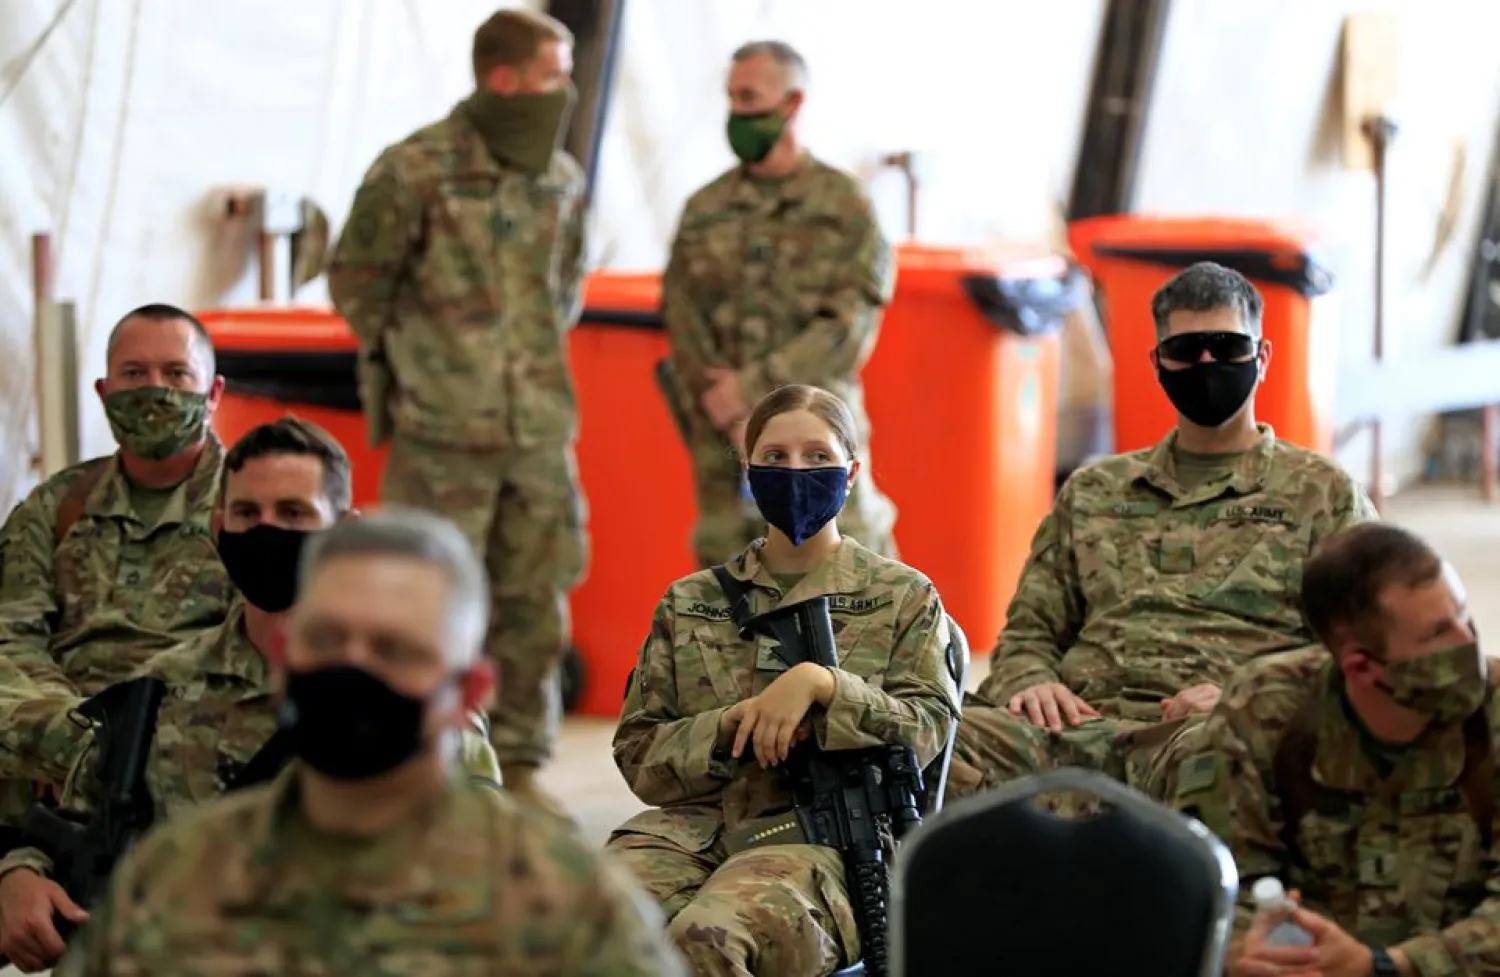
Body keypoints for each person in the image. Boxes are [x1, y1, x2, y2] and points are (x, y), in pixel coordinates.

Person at [54, 507, 686, 977]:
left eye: (394, 650)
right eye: (326, 640)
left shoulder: (566, 908)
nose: (352, 670)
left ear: (469, 691)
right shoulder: (177, 878)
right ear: (282, 659)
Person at [0, 418, 506, 972]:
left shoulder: (411, 703)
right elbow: (73, 825)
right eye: (247, 515)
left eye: (293, 513)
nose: (267, 532)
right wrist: (21, 875)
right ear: (219, 528)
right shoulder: (154, 690)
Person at [946, 261, 1378, 805]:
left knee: (1230, 764)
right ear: (1158, 363)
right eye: (1186, 350)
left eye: (1227, 347)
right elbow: (1030, 629)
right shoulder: (1094, 491)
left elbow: (1364, 650)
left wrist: (1248, 698)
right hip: (1074, 727)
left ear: (1262, 357)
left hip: (1212, 733)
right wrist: (1030, 681)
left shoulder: (1324, 495)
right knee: (916, 743)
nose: (1207, 363)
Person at [326, 8, 588, 818]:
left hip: (538, 428)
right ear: (501, 79)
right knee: (430, 597)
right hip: (444, 433)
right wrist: (430, 362)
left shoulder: (559, 177)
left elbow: (565, 289)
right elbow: (357, 282)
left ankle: (520, 761)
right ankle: (432, 759)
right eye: (552, 76)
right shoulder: (415, 170)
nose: (565, 94)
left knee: (535, 598)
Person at [606, 384, 961, 976]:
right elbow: (639, 753)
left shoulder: (902, 596)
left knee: (707, 938)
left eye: (817, 457)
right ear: (748, 471)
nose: (796, 471)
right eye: (775, 458)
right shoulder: (690, 600)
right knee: (586, 922)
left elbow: (926, 731)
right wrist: (729, 727)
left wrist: (824, 686)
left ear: (850, 475)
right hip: (693, 829)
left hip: (825, 838)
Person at [1174, 522, 1499, 977]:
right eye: (1438, 635)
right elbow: (1216, 882)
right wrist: (1252, 954)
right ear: (1362, 666)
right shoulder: (1265, 710)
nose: (1470, 643)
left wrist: (1387, 966)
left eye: (1463, 615)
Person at [658, 40, 899, 568]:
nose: (738, 113)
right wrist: (724, 405)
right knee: (730, 586)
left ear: (793, 104)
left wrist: (751, 393)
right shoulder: (706, 209)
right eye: (732, 99)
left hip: (818, 439)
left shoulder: (844, 207)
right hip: (724, 444)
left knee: (848, 574)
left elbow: (847, 328)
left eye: (751, 99)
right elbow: (681, 313)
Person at [0, 304, 231, 804]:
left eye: (176, 373)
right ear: (104, 393)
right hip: (56, 735)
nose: (154, 389)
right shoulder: (57, 505)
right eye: (134, 373)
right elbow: (11, 635)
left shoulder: (254, 506)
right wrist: (70, 736)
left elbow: (262, 651)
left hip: (192, 746)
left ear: (213, 394)